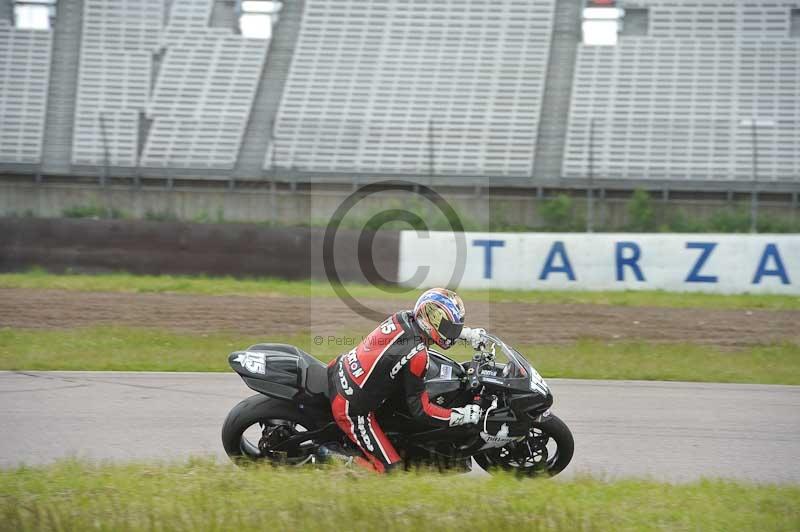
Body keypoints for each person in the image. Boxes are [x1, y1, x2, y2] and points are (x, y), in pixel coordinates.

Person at [327, 287, 486, 473]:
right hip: (351, 407)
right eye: (449, 327)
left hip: (341, 368)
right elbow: (422, 411)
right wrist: (460, 416)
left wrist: (466, 334)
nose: (452, 332)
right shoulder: (418, 355)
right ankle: (326, 457)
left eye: (454, 327)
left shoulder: (403, 317)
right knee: (391, 469)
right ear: (430, 322)